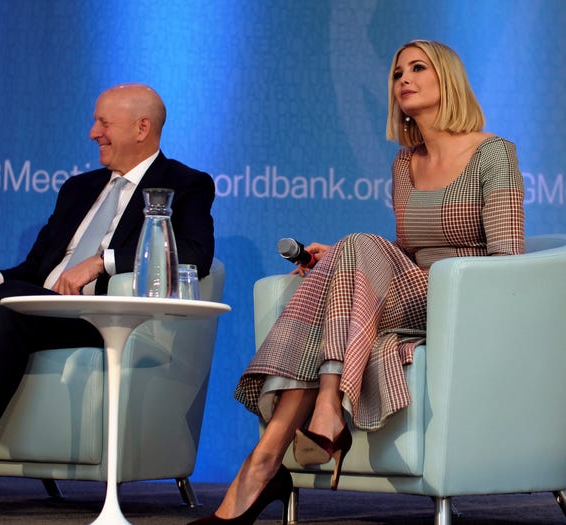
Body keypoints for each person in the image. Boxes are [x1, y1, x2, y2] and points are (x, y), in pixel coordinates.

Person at [187, 40, 524, 524]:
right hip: (413, 292)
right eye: (397, 73)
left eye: (417, 68)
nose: (403, 79)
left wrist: (363, 257)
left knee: (357, 245)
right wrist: (342, 260)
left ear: (447, 79)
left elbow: (508, 260)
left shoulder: (493, 153)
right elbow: (408, 250)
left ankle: (280, 450)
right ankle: (275, 452)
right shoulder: (405, 163)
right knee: (350, 249)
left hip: (463, 300)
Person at [0, 83, 215, 520]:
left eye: (103, 123)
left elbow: (196, 254)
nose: (93, 133)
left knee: (11, 305)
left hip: (96, 315)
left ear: (142, 128)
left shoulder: (185, 184)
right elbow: (36, 267)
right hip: (33, 303)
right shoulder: (79, 188)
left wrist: (102, 263)